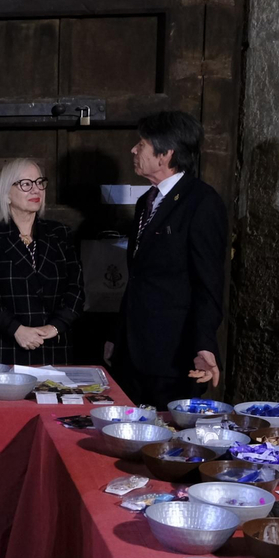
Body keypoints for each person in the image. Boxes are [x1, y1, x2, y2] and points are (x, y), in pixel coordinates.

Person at [108, 110, 228, 407]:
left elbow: (209, 284)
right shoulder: (145, 202)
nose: (134, 150)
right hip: (133, 354)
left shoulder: (202, 202)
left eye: (142, 144)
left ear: (165, 154)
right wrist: (118, 335)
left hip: (173, 358)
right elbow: (138, 278)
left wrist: (205, 345)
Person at [0, 158, 85, 364]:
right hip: (5, 348)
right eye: (26, 184)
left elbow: (76, 289)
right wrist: (15, 329)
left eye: (40, 182)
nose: (36, 190)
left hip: (53, 346)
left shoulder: (60, 234)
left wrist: (56, 326)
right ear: (5, 194)